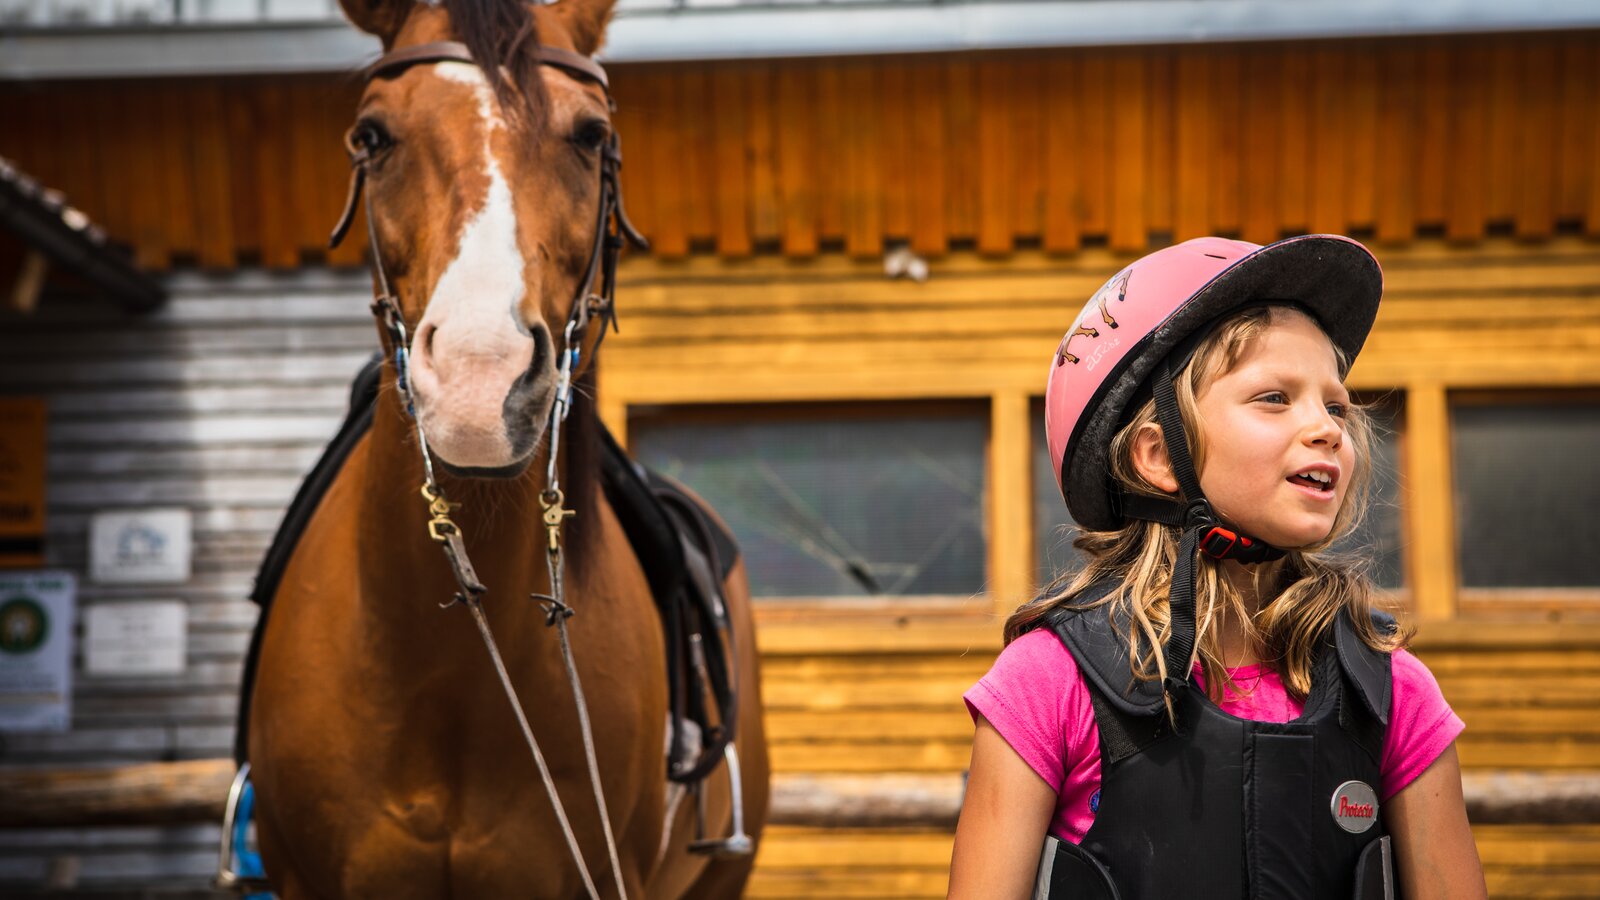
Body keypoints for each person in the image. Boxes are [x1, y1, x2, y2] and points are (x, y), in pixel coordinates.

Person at [947, 235, 1486, 900]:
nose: (1327, 429)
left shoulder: (1390, 688)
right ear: (1158, 456)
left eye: (1335, 404)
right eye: (1274, 398)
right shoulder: (1048, 682)